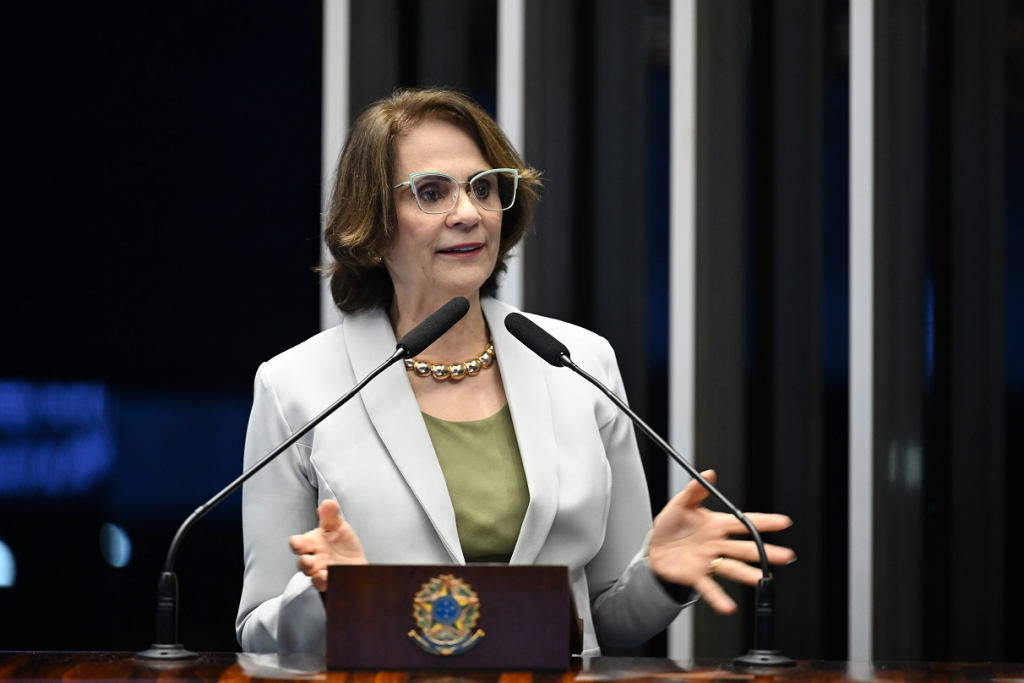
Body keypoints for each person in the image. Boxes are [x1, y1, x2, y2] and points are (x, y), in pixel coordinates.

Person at [235, 88, 795, 656]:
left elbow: (608, 619)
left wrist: (661, 577)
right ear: (374, 222)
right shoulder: (296, 387)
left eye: (483, 188)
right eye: (432, 192)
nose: (468, 214)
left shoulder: (579, 362)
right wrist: (325, 595)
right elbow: (257, 632)